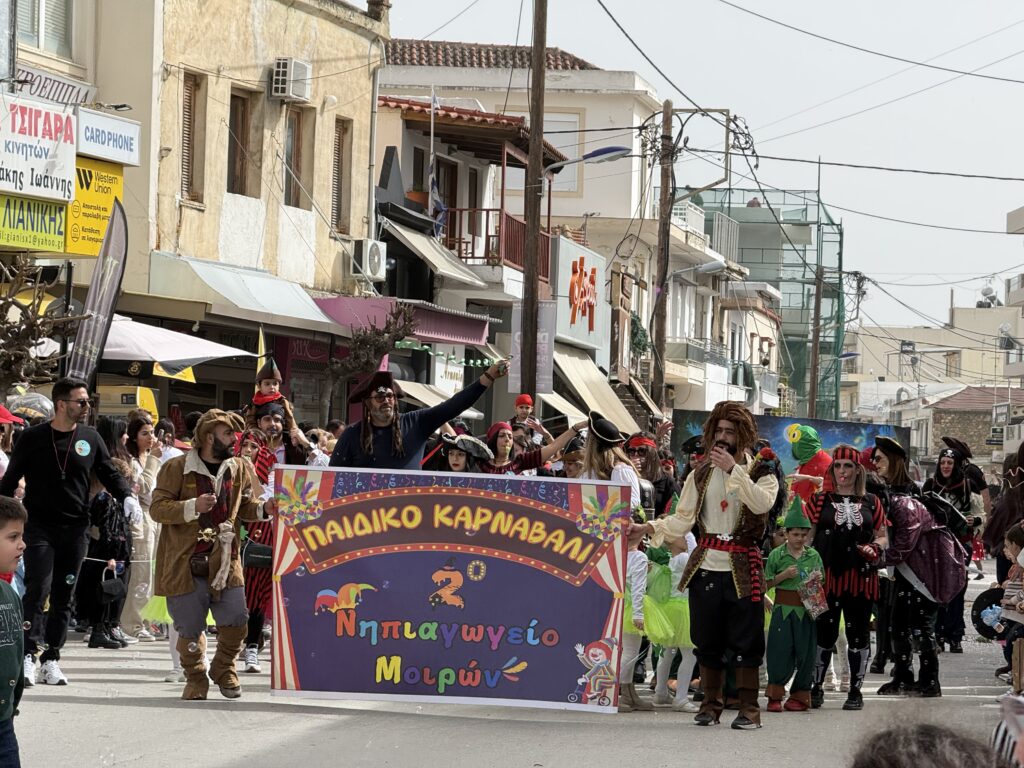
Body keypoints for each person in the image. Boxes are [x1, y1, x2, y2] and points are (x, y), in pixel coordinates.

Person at [638, 401, 780, 730]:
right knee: (707, 641)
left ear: (743, 435)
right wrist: (649, 529)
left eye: (730, 431)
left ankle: (748, 710)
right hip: (707, 566)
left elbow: (762, 503)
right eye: (718, 431)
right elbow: (683, 519)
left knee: (747, 643)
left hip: (744, 567)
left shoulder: (762, 472)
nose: (723, 437)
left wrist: (734, 470)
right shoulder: (700, 474)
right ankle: (710, 705)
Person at [0, 377, 132, 687]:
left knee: (64, 594)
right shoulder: (31, 438)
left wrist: (126, 495)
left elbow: (108, 473)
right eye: (81, 402)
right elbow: (9, 482)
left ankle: (52, 658)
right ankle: (29, 654)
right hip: (38, 528)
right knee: (37, 588)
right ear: (62, 404)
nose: (87, 407)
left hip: (75, 528)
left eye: (88, 402)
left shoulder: (91, 438)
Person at [150, 409, 273, 701]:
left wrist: (263, 510)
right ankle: (195, 678)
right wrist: (193, 506)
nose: (235, 439)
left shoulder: (239, 467)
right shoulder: (177, 467)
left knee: (237, 620)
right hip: (184, 561)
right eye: (228, 433)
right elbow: (157, 508)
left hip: (226, 559)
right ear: (208, 436)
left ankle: (223, 667)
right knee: (190, 628)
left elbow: (244, 505)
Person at [873, 436, 966, 698]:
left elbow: (904, 544)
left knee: (920, 625)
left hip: (923, 572)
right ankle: (903, 676)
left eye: (879, 458)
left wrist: (876, 559)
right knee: (899, 624)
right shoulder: (893, 492)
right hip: (908, 570)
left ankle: (929, 681)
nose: (874, 463)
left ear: (893, 460)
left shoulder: (905, 498)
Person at [806, 444, 888, 711]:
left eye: (848, 466)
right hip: (826, 577)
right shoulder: (819, 500)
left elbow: (883, 535)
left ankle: (855, 691)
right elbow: (807, 536)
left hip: (861, 578)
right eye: (838, 466)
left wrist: (876, 548)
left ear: (858, 470)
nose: (843, 471)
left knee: (858, 635)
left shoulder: (872, 502)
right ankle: (816, 687)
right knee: (824, 635)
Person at [331, 364, 508, 469]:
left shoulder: (417, 422)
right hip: (365, 521)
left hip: (411, 518)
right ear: (368, 403)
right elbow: (332, 478)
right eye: (379, 397)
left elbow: (455, 405)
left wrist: (489, 376)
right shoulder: (352, 434)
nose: (386, 401)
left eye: (390, 396)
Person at [764, 499, 823, 713]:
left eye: (804, 535)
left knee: (806, 653)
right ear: (786, 534)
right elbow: (764, 583)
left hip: (806, 609)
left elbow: (821, 581)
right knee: (779, 651)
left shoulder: (813, 555)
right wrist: (783, 576)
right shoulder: (776, 555)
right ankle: (775, 695)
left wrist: (812, 582)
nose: (800, 539)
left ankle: (799, 695)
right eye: (795, 534)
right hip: (782, 609)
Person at [923, 445, 983, 653]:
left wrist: (973, 520)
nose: (946, 466)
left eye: (950, 463)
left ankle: (955, 634)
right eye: (943, 463)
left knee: (958, 588)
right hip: (936, 545)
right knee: (937, 589)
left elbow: (980, 516)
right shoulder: (931, 485)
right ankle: (937, 633)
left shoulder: (967, 486)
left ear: (956, 464)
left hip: (961, 545)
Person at [122, 414, 164, 642]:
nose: (151, 438)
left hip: (155, 518)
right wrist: (154, 461)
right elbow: (143, 488)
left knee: (154, 573)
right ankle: (132, 623)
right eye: (145, 433)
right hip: (140, 519)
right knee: (141, 573)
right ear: (134, 437)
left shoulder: (152, 457)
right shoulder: (132, 461)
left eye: (152, 433)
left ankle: (147, 620)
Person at [651, 530, 698, 712]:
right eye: (684, 535)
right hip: (683, 608)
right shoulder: (684, 558)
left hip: (670, 608)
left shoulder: (672, 559)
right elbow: (697, 558)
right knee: (689, 654)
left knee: (667, 651)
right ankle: (680, 697)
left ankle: (660, 692)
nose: (687, 538)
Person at [619, 511, 653, 713]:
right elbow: (638, 589)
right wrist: (638, 614)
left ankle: (630, 693)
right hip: (631, 608)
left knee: (628, 651)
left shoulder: (618, 555)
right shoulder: (639, 557)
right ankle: (619, 694)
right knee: (630, 652)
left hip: (620, 606)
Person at [0, 497, 26, 767]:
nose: (22, 544)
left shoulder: (9, 593)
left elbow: (15, 656)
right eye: (13, 536)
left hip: (3, 724)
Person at [479, 420, 580, 475]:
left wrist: (576, 427)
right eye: (502, 436)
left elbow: (554, 447)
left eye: (510, 437)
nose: (507, 440)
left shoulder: (520, 461)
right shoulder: (480, 463)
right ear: (492, 440)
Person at [626, 433, 679, 519]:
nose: (636, 455)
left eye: (641, 451)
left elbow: (676, 516)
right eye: (632, 451)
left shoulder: (668, 483)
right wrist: (631, 474)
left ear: (652, 454)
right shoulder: (625, 476)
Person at [787, 424, 833, 502]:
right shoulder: (809, 459)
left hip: (808, 511)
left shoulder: (822, 465)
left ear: (801, 446)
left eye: (794, 445)